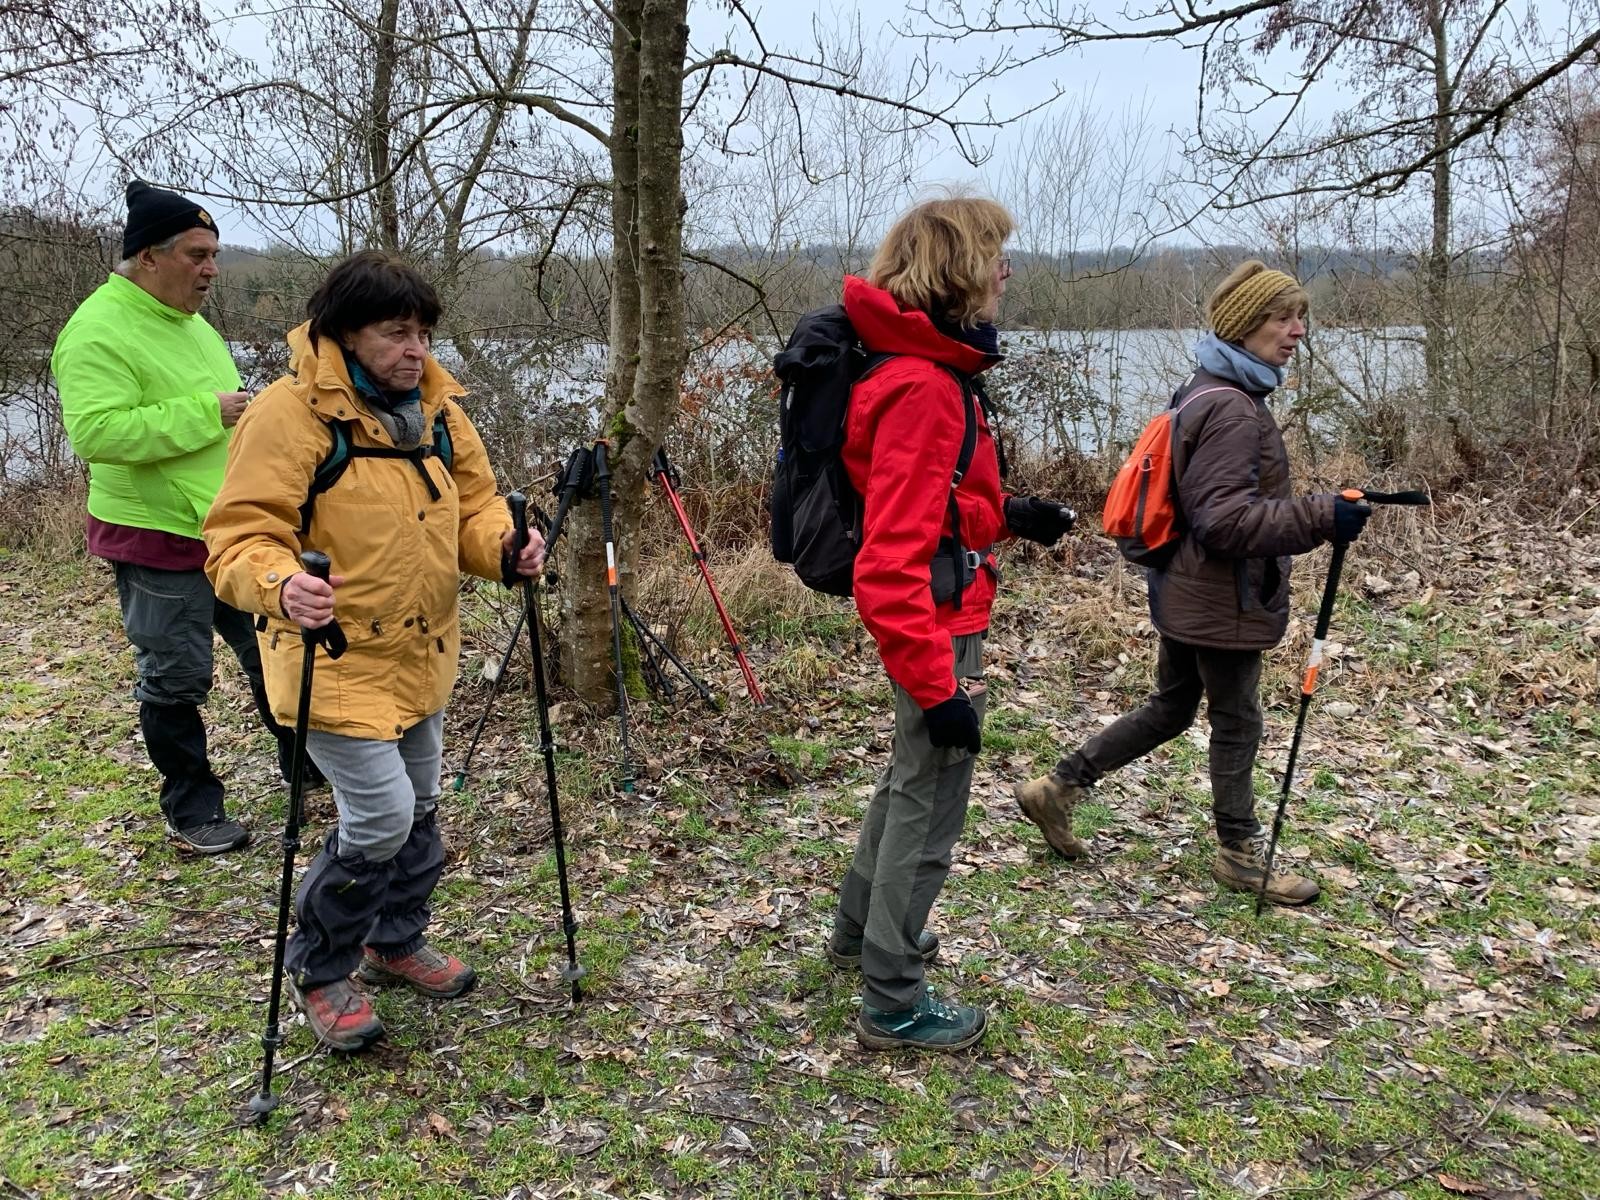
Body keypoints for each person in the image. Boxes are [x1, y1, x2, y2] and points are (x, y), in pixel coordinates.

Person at [203, 250, 545, 1051]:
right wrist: (282, 582)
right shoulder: (289, 415)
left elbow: (476, 508)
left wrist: (505, 548)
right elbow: (238, 535)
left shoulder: (441, 412)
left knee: (420, 807)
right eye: (396, 333)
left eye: (423, 332)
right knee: (383, 815)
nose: (415, 349)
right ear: (344, 334)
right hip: (333, 655)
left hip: (423, 653)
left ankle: (393, 939)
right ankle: (322, 969)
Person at [1015, 260, 1371, 906]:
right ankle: (1239, 855)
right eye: (1284, 318)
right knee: (1237, 719)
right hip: (1220, 594)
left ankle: (1058, 786)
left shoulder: (1205, 386)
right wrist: (1324, 515)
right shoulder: (1234, 410)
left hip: (1186, 586)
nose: (1298, 331)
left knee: (1173, 705)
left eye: (1302, 318)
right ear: (1246, 323)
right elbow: (1224, 522)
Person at [825, 197, 1076, 1053]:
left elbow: (934, 509)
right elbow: (891, 562)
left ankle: (863, 933)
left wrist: (1010, 513)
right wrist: (940, 692)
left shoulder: (917, 369)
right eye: (995, 255)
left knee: (906, 781)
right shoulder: (927, 387)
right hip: (931, 624)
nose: (1007, 270)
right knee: (930, 802)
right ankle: (892, 997)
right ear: (959, 270)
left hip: (934, 614)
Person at [51, 179, 308, 856]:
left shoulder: (192, 325)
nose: (211, 270)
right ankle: (191, 808)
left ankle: (305, 772)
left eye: (215, 254)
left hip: (229, 528)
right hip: (157, 535)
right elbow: (97, 433)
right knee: (175, 675)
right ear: (148, 258)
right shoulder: (95, 331)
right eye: (198, 254)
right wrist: (209, 413)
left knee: (272, 650)